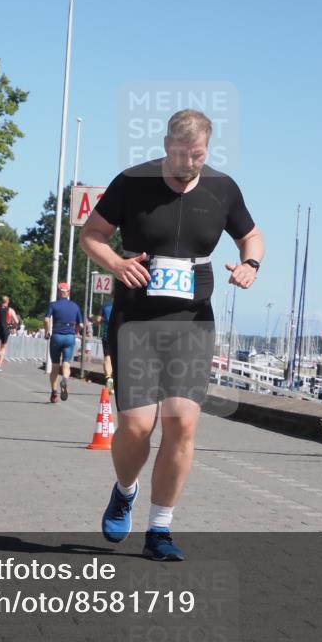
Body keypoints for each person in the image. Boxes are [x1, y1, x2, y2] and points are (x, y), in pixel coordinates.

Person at [79, 109, 263, 561]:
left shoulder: (223, 188)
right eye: (181, 155)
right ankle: (125, 490)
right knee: (137, 427)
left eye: (197, 156)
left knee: (182, 424)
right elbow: (92, 235)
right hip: (136, 321)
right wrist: (117, 264)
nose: (189, 165)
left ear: (207, 149)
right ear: (165, 145)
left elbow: (252, 236)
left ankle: (160, 529)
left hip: (192, 323)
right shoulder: (132, 182)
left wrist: (249, 265)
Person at [44, 282, 83, 403]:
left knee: (55, 366)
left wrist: (46, 332)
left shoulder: (53, 305)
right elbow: (81, 324)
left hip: (56, 336)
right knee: (66, 363)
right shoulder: (75, 306)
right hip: (69, 337)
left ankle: (54, 393)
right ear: (69, 292)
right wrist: (76, 331)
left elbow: (46, 319)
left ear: (58, 292)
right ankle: (65, 379)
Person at [0, 295, 20, 370]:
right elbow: (17, 321)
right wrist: (13, 327)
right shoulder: (10, 310)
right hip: (5, 329)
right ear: (8, 301)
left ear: (1, 301)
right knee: (3, 347)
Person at [94, 299, 114, 392]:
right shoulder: (125, 303)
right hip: (121, 335)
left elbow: (97, 320)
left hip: (107, 335)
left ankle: (109, 378)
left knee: (107, 358)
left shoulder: (105, 305)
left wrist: (103, 319)